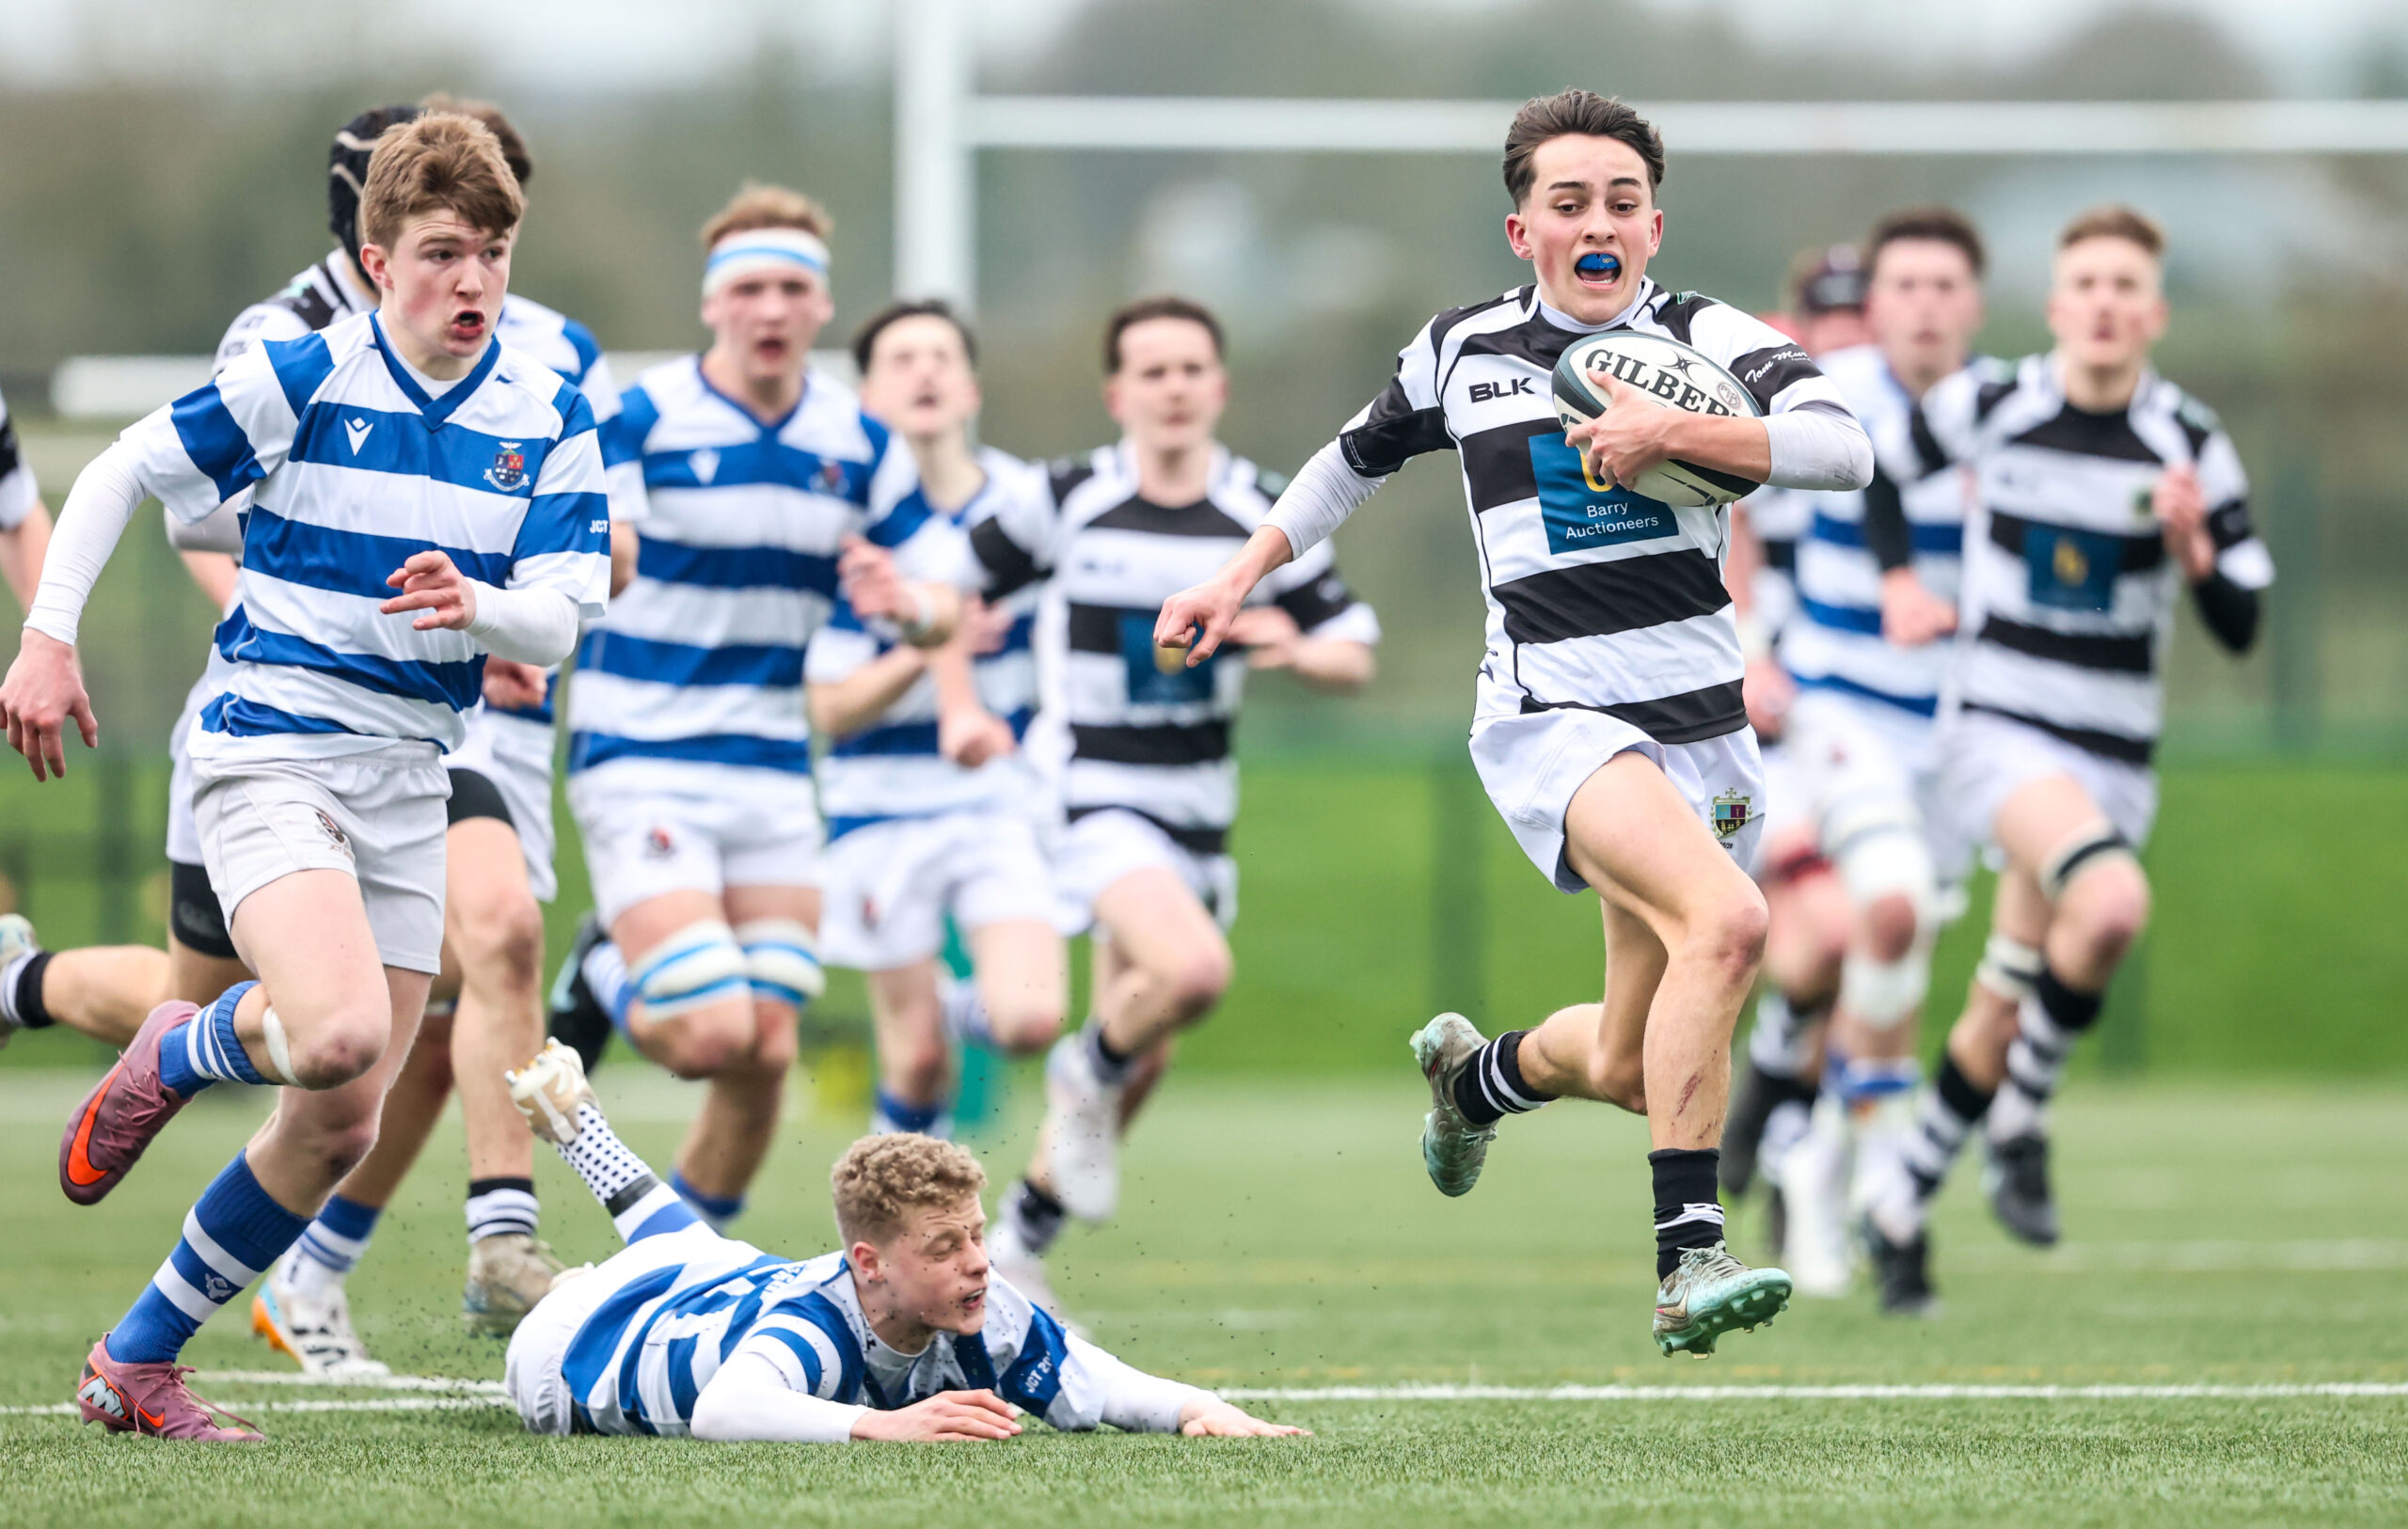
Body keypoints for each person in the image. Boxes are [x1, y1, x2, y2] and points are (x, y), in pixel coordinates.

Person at [1154, 90, 1874, 1356]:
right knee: (1731, 922)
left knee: (1635, 1066)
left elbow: (1843, 448)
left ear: (1655, 226)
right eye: (1568, 202)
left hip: (1702, 722)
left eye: (1622, 203)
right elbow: (1348, 463)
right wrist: (1235, 574)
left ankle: (1474, 1078)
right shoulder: (1463, 350)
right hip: (1557, 712)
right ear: (1521, 229)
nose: (1598, 224)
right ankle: (1688, 1260)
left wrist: (1674, 431)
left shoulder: (1706, 337)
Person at [16, 113, 610, 1442]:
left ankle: (135, 1361)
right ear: (377, 259)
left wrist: (483, 605)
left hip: (410, 772)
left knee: (339, 1121)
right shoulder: (303, 370)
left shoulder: (548, 410)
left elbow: (567, 614)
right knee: (336, 1034)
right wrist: (47, 638)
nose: (472, 279)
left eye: (494, 251)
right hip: (271, 746)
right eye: (443, 252)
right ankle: (184, 1042)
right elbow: (120, 470)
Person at [1864, 205, 2272, 1299]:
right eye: (2084, 283)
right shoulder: (1994, 402)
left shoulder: (2189, 441)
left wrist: (2194, 551)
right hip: (1999, 729)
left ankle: (1897, 1201)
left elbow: (2242, 624)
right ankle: (2022, 1121)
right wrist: (1899, 582)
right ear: (2053, 306)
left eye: (2123, 286)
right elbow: (1877, 472)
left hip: (2114, 758)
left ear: (2153, 314)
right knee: (2113, 907)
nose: (2102, 303)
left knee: (2006, 995)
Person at [555, 183, 967, 1231]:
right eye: (749, 289)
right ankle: (603, 966)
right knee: (708, 1032)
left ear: (822, 306)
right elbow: (571, 558)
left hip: (773, 770)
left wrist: (906, 606)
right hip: (642, 752)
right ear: (712, 305)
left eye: (792, 288)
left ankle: (680, 1269)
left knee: (767, 1051)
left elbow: (944, 602)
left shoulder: (860, 442)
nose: (771, 309)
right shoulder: (643, 417)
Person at [969, 296, 1378, 1315]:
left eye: (1192, 368)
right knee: (1190, 974)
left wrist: (1292, 647)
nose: (1175, 388)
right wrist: (949, 688)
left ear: (1220, 386)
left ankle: (1018, 1242)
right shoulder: (1063, 499)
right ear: (1117, 394)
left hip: (1197, 810)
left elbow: (1354, 653)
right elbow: (952, 592)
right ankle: (1080, 1068)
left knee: (1141, 1054)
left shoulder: (1261, 513)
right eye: (1152, 372)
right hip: (1089, 793)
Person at [497, 1039, 1302, 1442]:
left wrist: (1197, 1408)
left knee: (715, 1255)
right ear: (871, 1265)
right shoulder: (816, 1329)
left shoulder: (978, 1303)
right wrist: (882, 1425)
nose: (979, 1261)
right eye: (946, 1247)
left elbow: (1094, 1378)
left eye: (976, 1235)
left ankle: (581, 1131)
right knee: (702, 1270)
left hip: (714, 1283)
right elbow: (722, 1409)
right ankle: (564, 1283)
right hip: (570, 1354)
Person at [1731, 209, 1992, 1307]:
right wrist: (1749, 651)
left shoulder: (2002, 410)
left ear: (1976, 303)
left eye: (1944, 286)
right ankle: (1858, 1169)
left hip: (1957, 731)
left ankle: (1819, 1150)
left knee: (1889, 960)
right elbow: (1733, 525)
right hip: (1827, 714)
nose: (1921, 308)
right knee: (1861, 922)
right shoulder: (1826, 406)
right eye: (1902, 287)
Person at [807, 300, 1063, 1141]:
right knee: (915, 1062)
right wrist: (930, 640)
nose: (924, 372)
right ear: (867, 396)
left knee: (1029, 1019)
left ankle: (952, 1008)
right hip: (878, 797)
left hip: (999, 794)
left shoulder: (1027, 505)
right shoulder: (844, 524)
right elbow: (830, 707)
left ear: (971, 388)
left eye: (941, 357)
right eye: (902, 359)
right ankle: (892, 1211)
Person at [1713, 246, 1877, 1231]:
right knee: (1824, 939)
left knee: (1852, 955)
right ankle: (1772, 1124)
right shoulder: (1770, 424)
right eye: (1832, 320)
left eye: (1862, 320)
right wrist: (1746, 655)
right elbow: (1732, 545)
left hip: (1866, 729)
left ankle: (1779, 1134)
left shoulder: (1908, 432)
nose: (1848, 339)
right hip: (1770, 734)